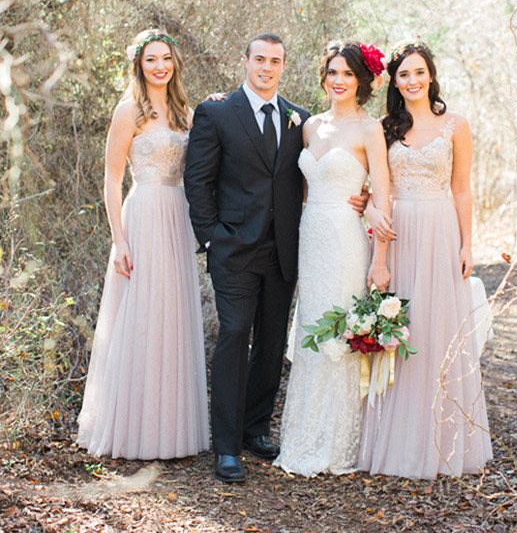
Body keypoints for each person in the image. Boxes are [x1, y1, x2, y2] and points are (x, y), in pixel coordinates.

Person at [183, 33, 368, 483]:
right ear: (245, 61)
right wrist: (213, 239)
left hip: (284, 250)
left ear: (284, 66)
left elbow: (311, 179)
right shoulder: (216, 113)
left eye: (276, 61)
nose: (267, 67)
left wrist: (359, 197)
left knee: (270, 342)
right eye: (260, 59)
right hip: (233, 249)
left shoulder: (299, 119)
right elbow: (197, 182)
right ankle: (225, 447)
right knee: (233, 333)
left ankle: (254, 429)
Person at [359, 42, 493, 478]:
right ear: (394, 81)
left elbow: (462, 188)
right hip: (398, 233)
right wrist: (369, 209)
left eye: (419, 72)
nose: (412, 81)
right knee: (399, 327)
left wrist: (466, 244)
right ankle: (394, 437)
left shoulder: (455, 125)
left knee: (437, 328)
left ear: (431, 75)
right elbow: (371, 188)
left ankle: (441, 439)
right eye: (403, 74)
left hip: (439, 230)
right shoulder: (383, 127)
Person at [77, 30, 210, 460]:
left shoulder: (185, 113)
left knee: (172, 315)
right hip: (143, 214)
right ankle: (132, 427)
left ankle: (171, 428)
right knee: (141, 315)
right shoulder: (128, 111)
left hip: (177, 216)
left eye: (166, 59)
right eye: (151, 59)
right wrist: (119, 240)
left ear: (175, 64)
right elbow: (111, 180)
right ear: (139, 64)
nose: (160, 66)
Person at [274, 39, 391, 477]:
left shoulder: (368, 129)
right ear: (323, 76)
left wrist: (379, 260)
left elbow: (382, 196)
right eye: (333, 72)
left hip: (345, 238)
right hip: (311, 237)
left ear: (361, 80)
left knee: (338, 333)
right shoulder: (308, 126)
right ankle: (301, 439)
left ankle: (337, 444)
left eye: (347, 74)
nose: (338, 81)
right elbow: (301, 190)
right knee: (310, 327)